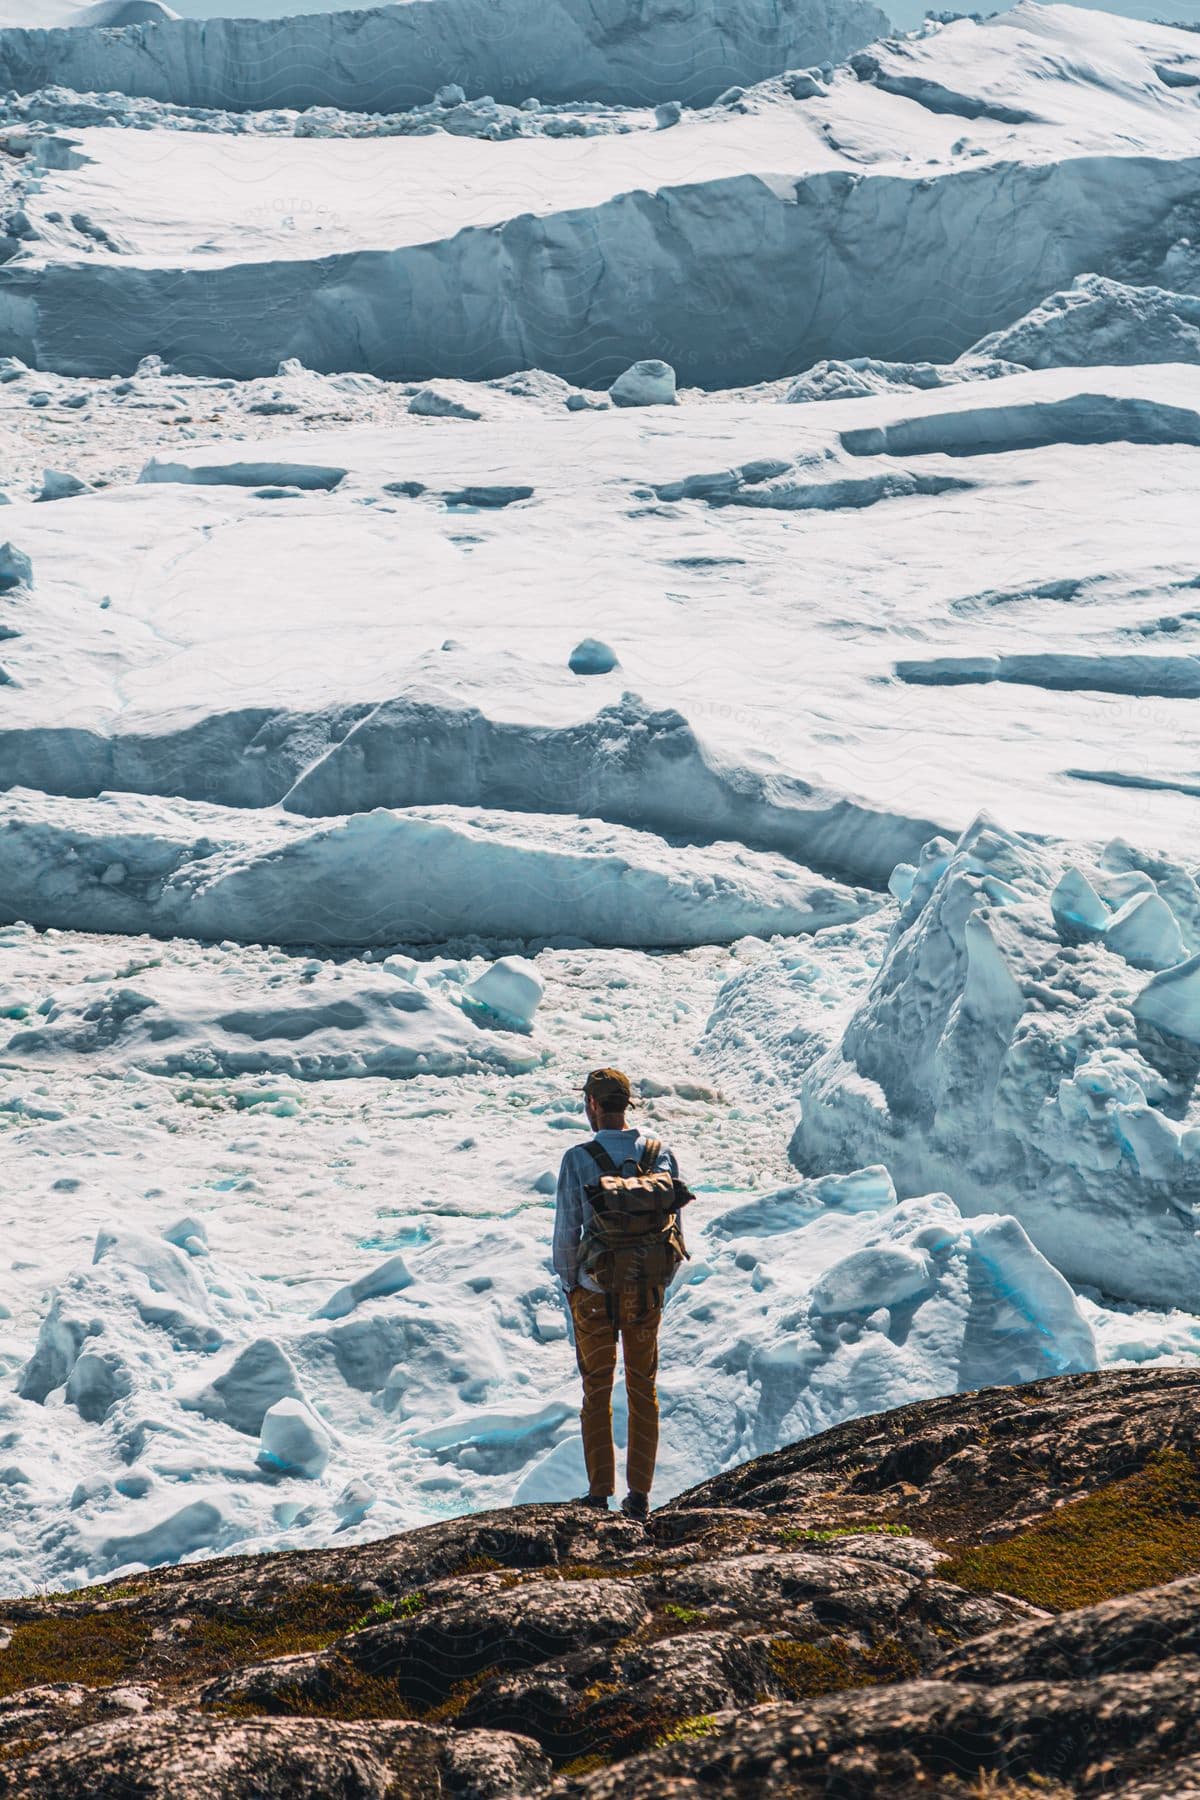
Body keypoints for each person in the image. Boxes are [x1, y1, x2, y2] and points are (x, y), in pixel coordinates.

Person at [553, 1066, 686, 1521]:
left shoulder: (579, 1157)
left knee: (597, 1389)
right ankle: (640, 1498)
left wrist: (572, 1284)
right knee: (642, 1387)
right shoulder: (659, 1152)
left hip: (594, 1289)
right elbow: (675, 1226)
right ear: (626, 1104)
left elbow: (566, 1233)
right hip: (646, 1289)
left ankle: (598, 1495)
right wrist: (655, 1280)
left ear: (592, 1104)